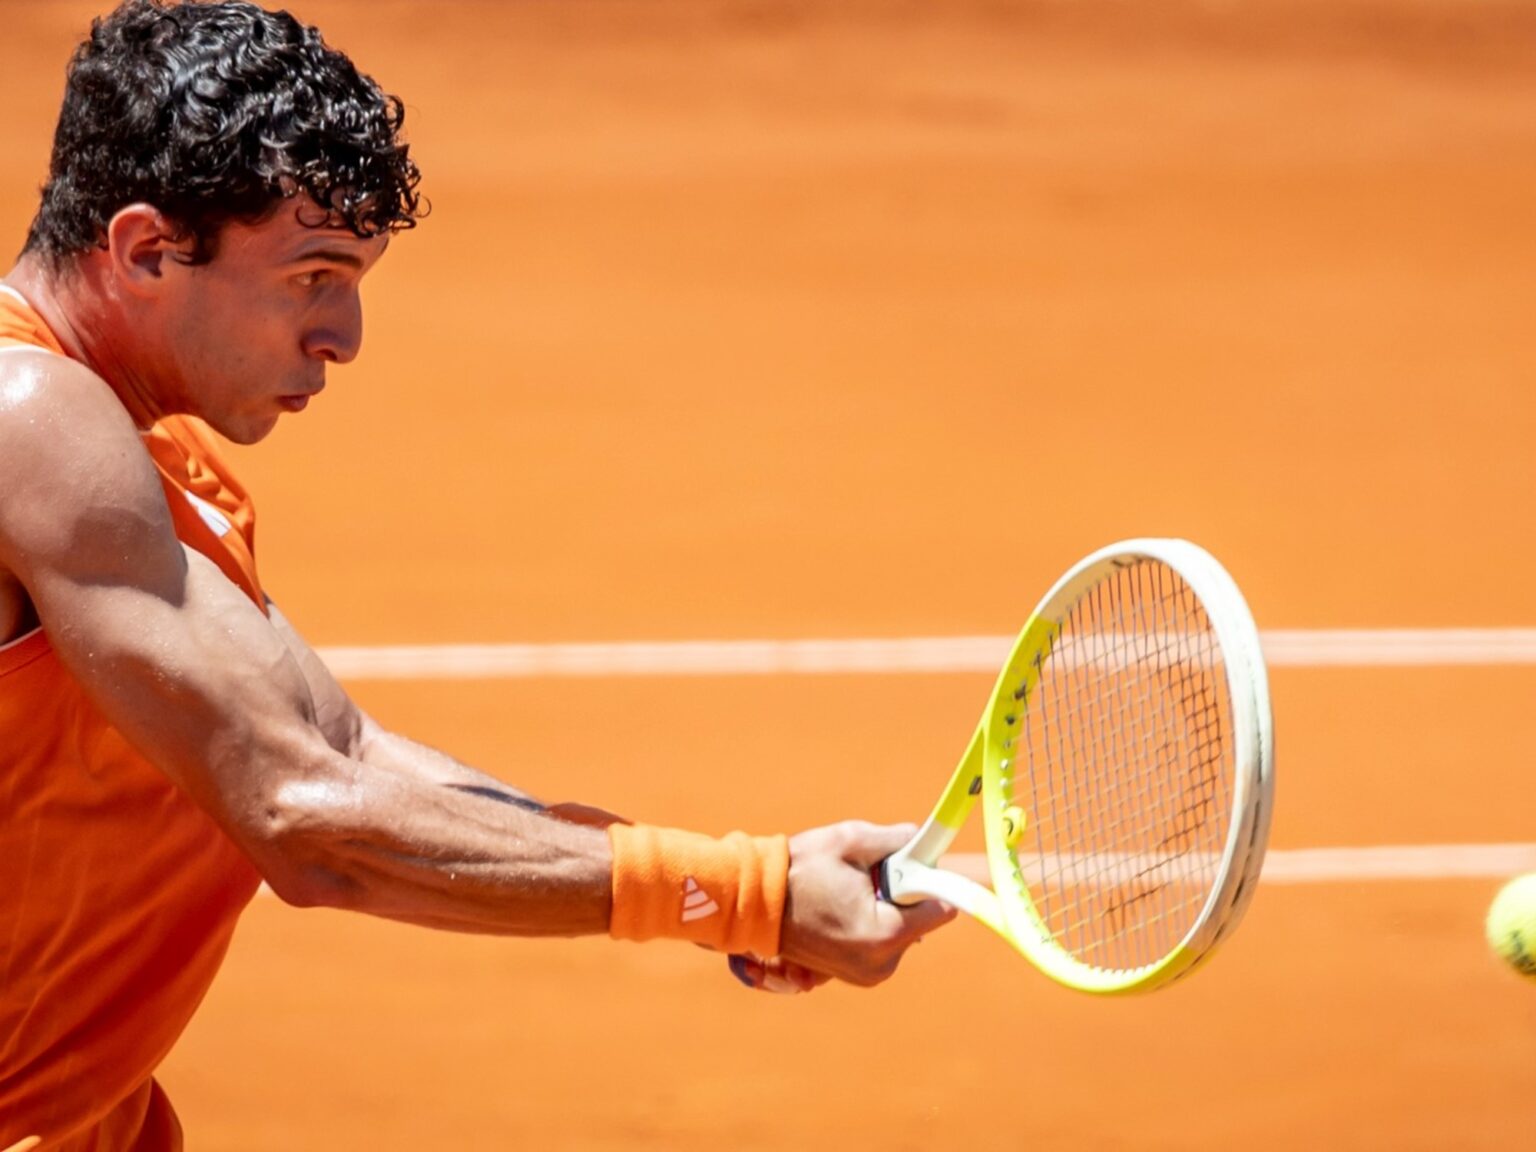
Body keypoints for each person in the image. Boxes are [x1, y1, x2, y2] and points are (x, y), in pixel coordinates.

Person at [0, 2, 955, 1147]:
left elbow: (341, 749)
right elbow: (305, 816)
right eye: (312, 275)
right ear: (149, 250)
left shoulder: (165, 464)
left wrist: (744, 887)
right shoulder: (29, 419)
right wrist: (744, 897)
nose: (343, 334)